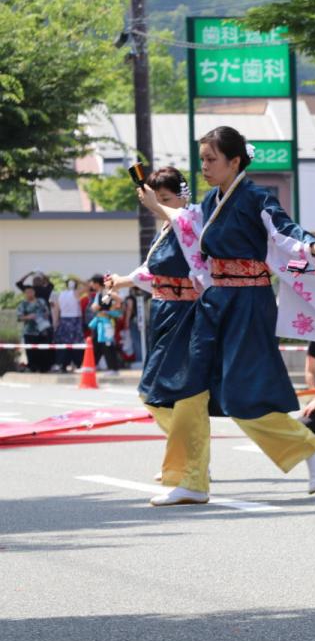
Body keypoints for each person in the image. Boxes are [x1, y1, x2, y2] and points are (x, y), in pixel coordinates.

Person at [137, 126, 315, 506]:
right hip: (215, 301)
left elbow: (285, 231)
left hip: (248, 301)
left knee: (240, 395)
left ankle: (310, 448)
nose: (205, 167)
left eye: (211, 159)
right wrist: (157, 207)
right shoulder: (211, 202)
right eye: (202, 160)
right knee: (188, 389)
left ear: (235, 160)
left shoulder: (256, 197)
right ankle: (190, 479)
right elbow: (185, 226)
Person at [106, 167, 209, 487]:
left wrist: (156, 205)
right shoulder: (169, 225)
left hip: (185, 311)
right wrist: (122, 282)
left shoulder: (192, 220)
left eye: (165, 198)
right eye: (155, 198)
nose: (158, 204)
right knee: (167, 393)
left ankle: (190, 459)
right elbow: (154, 271)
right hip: (166, 310)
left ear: (182, 194)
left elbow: (190, 260)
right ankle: (189, 458)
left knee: (162, 392)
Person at [16, 285, 53, 372]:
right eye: (27, 292)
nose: (29, 294)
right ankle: (33, 368)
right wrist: (28, 317)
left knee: (43, 350)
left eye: (31, 292)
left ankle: (44, 368)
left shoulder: (41, 301)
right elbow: (19, 318)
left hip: (42, 330)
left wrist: (45, 315)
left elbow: (47, 311)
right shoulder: (23, 304)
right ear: (24, 294)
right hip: (29, 331)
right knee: (31, 352)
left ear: (34, 292)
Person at [51, 278, 85, 371]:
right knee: (76, 343)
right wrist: (78, 279)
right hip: (75, 320)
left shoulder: (60, 294)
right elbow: (87, 286)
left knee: (64, 343)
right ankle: (77, 363)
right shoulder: (75, 293)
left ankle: (63, 364)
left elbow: (56, 309)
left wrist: (56, 322)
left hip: (64, 320)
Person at [87, 292, 123, 371]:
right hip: (102, 334)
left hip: (106, 334)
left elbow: (91, 325)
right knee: (99, 349)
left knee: (108, 349)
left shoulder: (106, 312)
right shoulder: (102, 313)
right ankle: (93, 365)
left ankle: (113, 368)